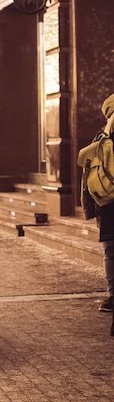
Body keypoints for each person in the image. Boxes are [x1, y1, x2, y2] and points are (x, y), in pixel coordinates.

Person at [79, 94, 114, 314]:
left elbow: (87, 178)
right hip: (106, 205)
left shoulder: (99, 140)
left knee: (110, 251)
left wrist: (89, 209)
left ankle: (113, 296)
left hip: (105, 203)